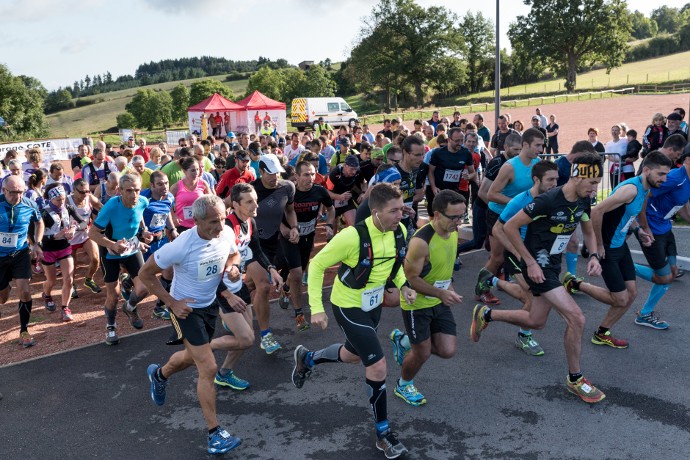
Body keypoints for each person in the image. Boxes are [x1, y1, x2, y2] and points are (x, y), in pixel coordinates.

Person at [293, 183, 416, 459]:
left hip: (372, 305)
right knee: (377, 364)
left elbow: (394, 268)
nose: (401, 215)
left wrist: (404, 284)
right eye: (394, 211)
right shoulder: (351, 236)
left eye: (401, 209)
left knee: (352, 354)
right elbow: (317, 266)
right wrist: (317, 307)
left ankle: (308, 359)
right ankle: (383, 433)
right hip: (347, 304)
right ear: (375, 212)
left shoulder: (401, 232)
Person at [472, 153, 606, 403]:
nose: (595, 187)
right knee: (577, 318)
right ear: (577, 176)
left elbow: (587, 231)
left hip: (553, 266)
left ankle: (486, 314)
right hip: (538, 267)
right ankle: (575, 379)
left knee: (535, 320)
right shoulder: (547, 200)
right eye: (593, 182)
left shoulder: (583, 201)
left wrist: (595, 255)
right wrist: (529, 262)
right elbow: (509, 227)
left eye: (598, 182)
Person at [141, 195, 243, 455]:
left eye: (221, 219)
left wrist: (232, 268)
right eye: (212, 222)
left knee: (193, 356)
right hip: (185, 310)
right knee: (208, 366)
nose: (219, 227)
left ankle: (159, 374)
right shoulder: (181, 245)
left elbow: (234, 255)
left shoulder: (226, 231)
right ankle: (214, 434)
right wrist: (171, 302)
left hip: (209, 306)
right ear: (196, 221)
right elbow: (145, 274)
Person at [564, 151, 673, 348]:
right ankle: (576, 283)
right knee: (620, 298)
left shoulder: (646, 188)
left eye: (666, 174)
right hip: (608, 248)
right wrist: (598, 245)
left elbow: (628, 214)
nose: (664, 179)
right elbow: (596, 211)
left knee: (631, 294)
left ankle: (602, 332)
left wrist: (639, 230)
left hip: (620, 244)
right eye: (661, 174)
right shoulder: (630, 189)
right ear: (646, 170)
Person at [389, 190, 465, 406]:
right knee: (421, 352)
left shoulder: (453, 232)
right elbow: (411, 279)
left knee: (447, 350)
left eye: (462, 216)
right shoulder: (421, 242)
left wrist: (449, 287)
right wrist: (441, 293)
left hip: (439, 299)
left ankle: (402, 340)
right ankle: (403, 385)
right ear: (437, 215)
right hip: (417, 304)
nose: (459, 222)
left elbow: (444, 268)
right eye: (454, 217)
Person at [480, 161, 559, 356]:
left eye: (557, 179)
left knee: (533, 295)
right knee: (534, 297)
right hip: (518, 252)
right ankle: (524, 336)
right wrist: (516, 253)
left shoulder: (552, 199)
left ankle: (494, 281)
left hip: (540, 255)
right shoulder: (519, 201)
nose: (555, 183)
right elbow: (498, 229)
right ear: (536, 180)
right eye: (550, 179)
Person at [211, 183, 282, 391]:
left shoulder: (249, 222)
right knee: (246, 338)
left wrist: (272, 269)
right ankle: (201, 349)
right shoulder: (225, 230)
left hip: (237, 286)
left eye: (256, 200)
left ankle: (224, 373)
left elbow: (256, 249)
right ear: (235, 204)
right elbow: (212, 269)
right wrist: (227, 294)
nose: (255, 205)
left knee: (245, 338)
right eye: (249, 201)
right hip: (220, 288)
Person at [478, 129, 544, 305]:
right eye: (537, 145)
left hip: (522, 216)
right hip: (499, 214)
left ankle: (512, 281)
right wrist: (517, 203)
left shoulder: (538, 163)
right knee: (497, 257)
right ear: (525, 145)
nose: (541, 148)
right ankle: (481, 289)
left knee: (522, 251)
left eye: (542, 145)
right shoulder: (509, 167)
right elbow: (491, 194)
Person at [88, 173, 153, 345]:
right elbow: (92, 233)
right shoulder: (111, 205)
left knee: (144, 288)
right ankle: (111, 327)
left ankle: (129, 307)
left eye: (137, 190)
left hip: (131, 248)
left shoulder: (143, 202)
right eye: (129, 191)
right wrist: (113, 244)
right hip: (110, 251)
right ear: (120, 191)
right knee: (114, 294)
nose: (134, 195)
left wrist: (143, 232)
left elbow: (138, 219)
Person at [633, 149, 690, 329]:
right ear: (688, 159)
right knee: (664, 277)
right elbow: (644, 195)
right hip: (653, 228)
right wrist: (645, 226)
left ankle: (644, 313)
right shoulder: (674, 178)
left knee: (671, 273)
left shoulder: (686, 180)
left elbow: (678, 204)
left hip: (665, 227)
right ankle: (620, 264)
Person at [277, 161, 335, 330]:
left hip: (308, 237)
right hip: (289, 237)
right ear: (296, 176)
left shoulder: (319, 191)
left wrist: (330, 225)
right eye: (306, 174)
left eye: (312, 174)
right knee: (296, 273)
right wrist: (288, 232)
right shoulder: (288, 192)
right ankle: (299, 314)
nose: (310, 178)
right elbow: (277, 219)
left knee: (300, 271)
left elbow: (330, 209)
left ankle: (286, 288)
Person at [246, 154, 293, 353]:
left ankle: (231, 302)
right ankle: (266, 336)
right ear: (261, 171)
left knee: (249, 284)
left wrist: (294, 226)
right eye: (271, 174)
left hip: (274, 242)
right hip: (251, 243)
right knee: (263, 286)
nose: (275, 177)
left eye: (278, 173)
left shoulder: (287, 187)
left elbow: (289, 210)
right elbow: (227, 204)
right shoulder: (250, 189)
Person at [0, 176, 44, 347]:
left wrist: (37, 244)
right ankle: (5, 287)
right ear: (4, 190)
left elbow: (39, 223)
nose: (17, 196)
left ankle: (24, 330)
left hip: (20, 253)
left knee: (25, 291)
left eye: (20, 192)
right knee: (2, 298)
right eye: (13, 193)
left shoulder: (29, 204)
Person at [39, 184, 82, 322]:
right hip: (48, 249)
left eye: (63, 199)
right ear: (51, 199)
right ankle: (46, 294)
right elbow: (34, 236)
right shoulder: (43, 213)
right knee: (51, 280)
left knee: (69, 279)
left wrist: (74, 228)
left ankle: (65, 308)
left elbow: (83, 222)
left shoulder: (67, 209)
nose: (61, 202)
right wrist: (53, 236)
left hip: (64, 247)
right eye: (58, 199)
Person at [140, 170, 178, 320]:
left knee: (169, 272)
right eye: (160, 184)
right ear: (152, 185)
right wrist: (142, 232)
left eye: (166, 183)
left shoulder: (170, 196)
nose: (164, 186)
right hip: (144, 243)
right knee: (142, 278)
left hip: (161, 240)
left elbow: (167, 211)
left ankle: (159, 307)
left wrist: (172, 228)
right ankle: (128, 283)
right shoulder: (143, 198)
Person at [68, 178, 103, 297]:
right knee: (72, 265)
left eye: (87, 191)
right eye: (82, 192)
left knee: (95, 259)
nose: (85, 194)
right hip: (70, 237)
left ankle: (88, 279)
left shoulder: (89, 197)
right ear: (74, 190)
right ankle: (71, 285)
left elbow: (101, 207)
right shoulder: (67, 201)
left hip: (85, 234)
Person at [171, 157, 212, 233]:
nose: (196, 173)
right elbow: (167, 203)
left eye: (197, 169)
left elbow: (212, 201)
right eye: (193, 170)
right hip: (181, 225)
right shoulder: (176, 187)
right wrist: (173, 216)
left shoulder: (203, 184)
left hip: (199, 225)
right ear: (184, 171)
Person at [326, 154, 366, 228]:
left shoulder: (358, 172)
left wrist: (363, 192)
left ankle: (344, 220)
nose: (354, 172)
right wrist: (339, 197)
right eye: (351, 169)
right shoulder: (334, 174)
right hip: (333, 202)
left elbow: (363, 182)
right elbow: (326, 192)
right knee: (331, 232)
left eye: (355, 169)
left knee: (354, 226)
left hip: (347, 200)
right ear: (345, 166)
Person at [605, 124, 628, 189]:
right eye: (613, 130)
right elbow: (607, 156)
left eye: (616, 130)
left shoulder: (625, 141)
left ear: (619, 132)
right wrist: (618, 160)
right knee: (614, 187)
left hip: (624, 168)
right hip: (613, 168)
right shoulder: (608, 144)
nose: (614, 132)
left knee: (624, 186)